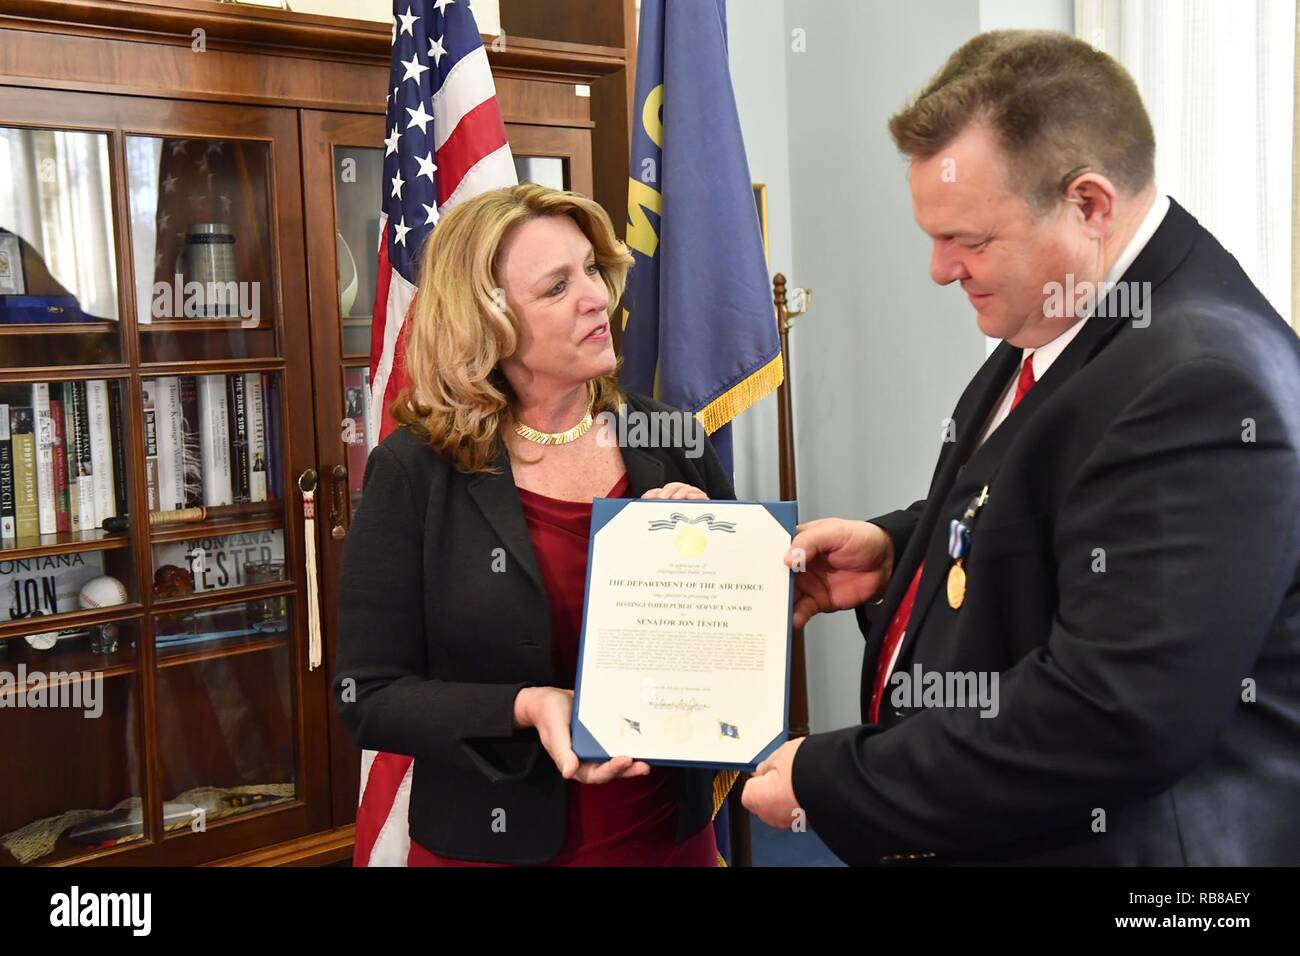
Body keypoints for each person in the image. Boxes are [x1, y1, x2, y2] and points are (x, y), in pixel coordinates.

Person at [742, 30, 1300, 865]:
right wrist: (901, 550)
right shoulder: (1068, 311)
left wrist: (834, 779)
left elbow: (1111, 714)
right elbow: (1059, 502)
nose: (938, 269)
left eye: (967, 239)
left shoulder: (1204, 379)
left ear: (1089, 205)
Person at [334, 183, 732, 865]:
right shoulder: (414, 470)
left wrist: (715, 561)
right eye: (556, 287)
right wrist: (525, 706)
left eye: (591, 270)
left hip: (667, 837)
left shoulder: (671, 436)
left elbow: (738, 640)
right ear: (487, 322)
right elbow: (369, 696)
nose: (595, 297)